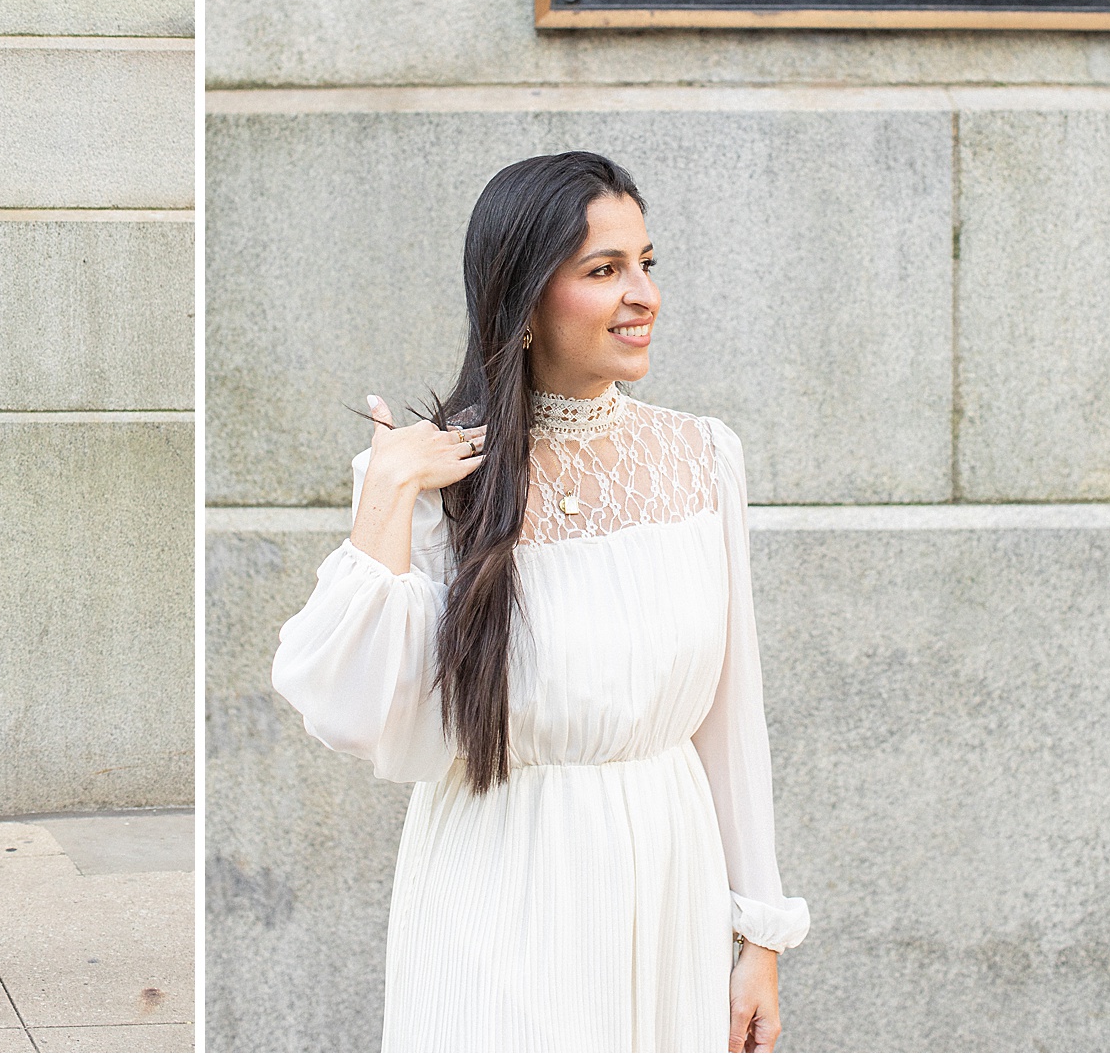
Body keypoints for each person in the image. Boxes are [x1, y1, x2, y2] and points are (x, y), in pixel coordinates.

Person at [271, 151, 808, 1052]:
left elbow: (730, 720)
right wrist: (388, 492)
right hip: (501, 878)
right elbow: (356, 710)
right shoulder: (432, 476)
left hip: (671, 875)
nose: (643, 294)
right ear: (522, 304)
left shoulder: (703, 458)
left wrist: (759, 934)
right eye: (604, 271)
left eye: (646, 263)